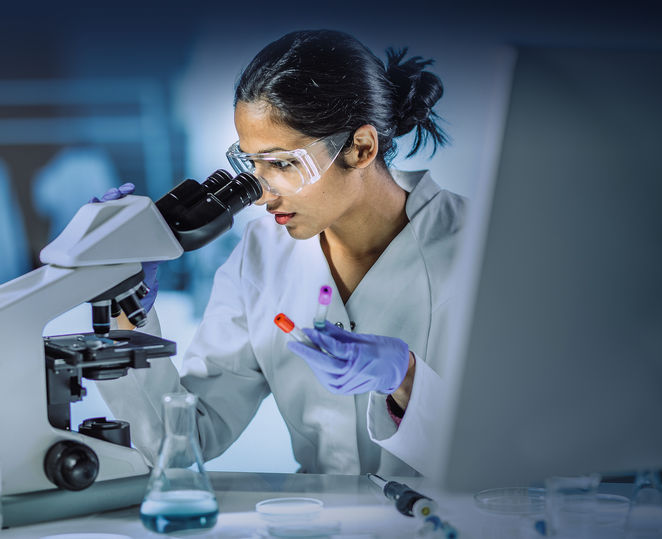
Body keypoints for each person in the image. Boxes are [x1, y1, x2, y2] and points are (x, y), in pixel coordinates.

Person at [97, 29, 466, 477]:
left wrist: (408, 381)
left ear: (361, 147)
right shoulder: (261, 256)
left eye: (283, 164)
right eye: (251, 164)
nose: (259, 195)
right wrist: (127, 310)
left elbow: (523, 443)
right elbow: (183, 438)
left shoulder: (475, 245)